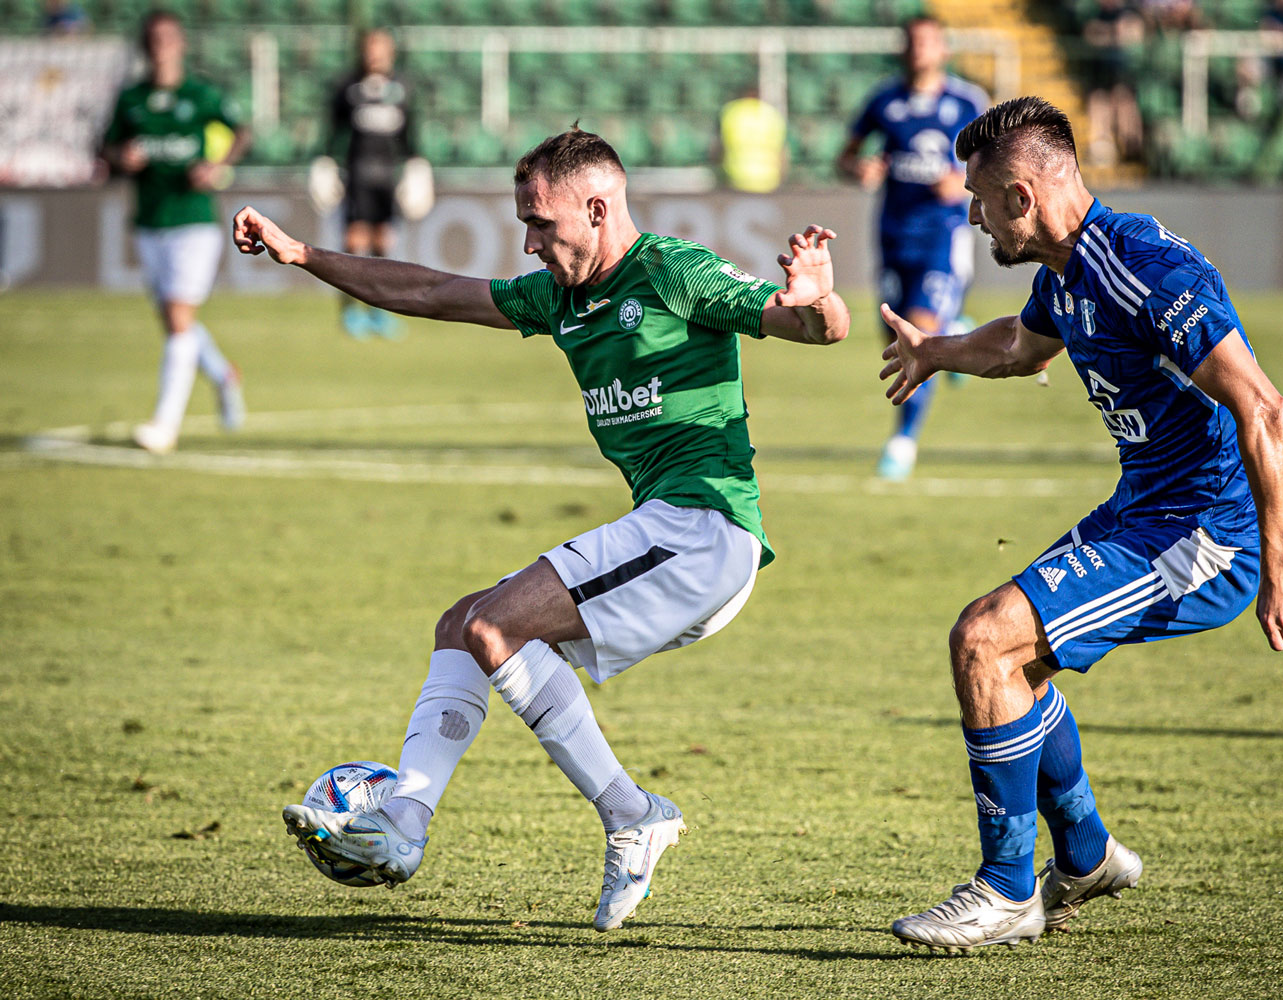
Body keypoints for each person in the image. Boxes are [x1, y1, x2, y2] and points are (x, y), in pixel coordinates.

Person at [233, 128, 850, 931]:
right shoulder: (558, 297)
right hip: (667, 535)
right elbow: (427, 291)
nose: (528, 242)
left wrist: (818, 296)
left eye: (540, 223)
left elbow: (813, 327)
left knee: (495, 623)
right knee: (462, 623)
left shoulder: (671, 270)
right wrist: (303, 254)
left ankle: (629, 813)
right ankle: (406, 822)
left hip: (704, 528)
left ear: (596, 209)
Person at [879, 97, 1283, 953]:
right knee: (1015, 654)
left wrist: (1281, 567)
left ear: (1020, 195)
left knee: (985, 640)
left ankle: (1007, 892)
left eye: (977, 199)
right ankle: (1083, 857)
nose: (970, 217)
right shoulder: (1068, 272)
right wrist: (937, 351)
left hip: (1204, 533)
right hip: (1142, 510)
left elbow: (1266, 410)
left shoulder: (1141, 269)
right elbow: (1020, 346)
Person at [837, 15, 987, 480]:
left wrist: (965, 185)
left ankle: (903, 441)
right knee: (894, 341)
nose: (919, 49)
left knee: (916, 339)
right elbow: (845, 156)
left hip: (942, 235)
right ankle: (957, 332)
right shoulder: (884, 100)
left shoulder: (967, 101)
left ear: (944, 50)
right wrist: (859, 169)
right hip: (893, 232)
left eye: (928, 42)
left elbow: (998, 161)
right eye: (912, 41)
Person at [101, 9, 250, 455]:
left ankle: (165, 426)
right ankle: (223, 375)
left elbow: (241, 131)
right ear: (145, 46)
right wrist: (120, 158)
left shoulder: (201, 95)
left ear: (181, 43)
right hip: (149, 220)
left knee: (178, 318)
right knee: (174, 319)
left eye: (168, 37)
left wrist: (217, 166)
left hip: (193, 221)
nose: (161, 45)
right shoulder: (130, 99)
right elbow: (104, 149)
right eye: (153, 38)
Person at [317, 28, 423, 339]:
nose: (374, 54)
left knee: (383, 243)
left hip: (387, 176)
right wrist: (324, 161)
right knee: (354, 242)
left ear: (391, 52)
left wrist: (417, 163)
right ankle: (350, 311)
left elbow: (410, 134)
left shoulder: (401, 88)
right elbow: (333, 131)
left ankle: (379, 312)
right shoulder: (348, 88)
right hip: (358, 173)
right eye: (370, 48)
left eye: (381, 48)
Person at [1080, 0, 1146, 165]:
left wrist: (1111, 34)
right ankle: (1103, 146)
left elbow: (1134, 34)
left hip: (1124, 74)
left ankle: (1131, 145)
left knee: (1124, 102)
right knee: (1099, 101)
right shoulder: (1096, 15)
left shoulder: (1130, 13)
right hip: (1101, 73)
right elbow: (1091, 34)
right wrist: (1114, 33)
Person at [719, 86, 787, 193]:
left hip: (738, 178)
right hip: (768, 179)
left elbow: (721, 147)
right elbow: (781, 151)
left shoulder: (732, 112)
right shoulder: (771, 114)